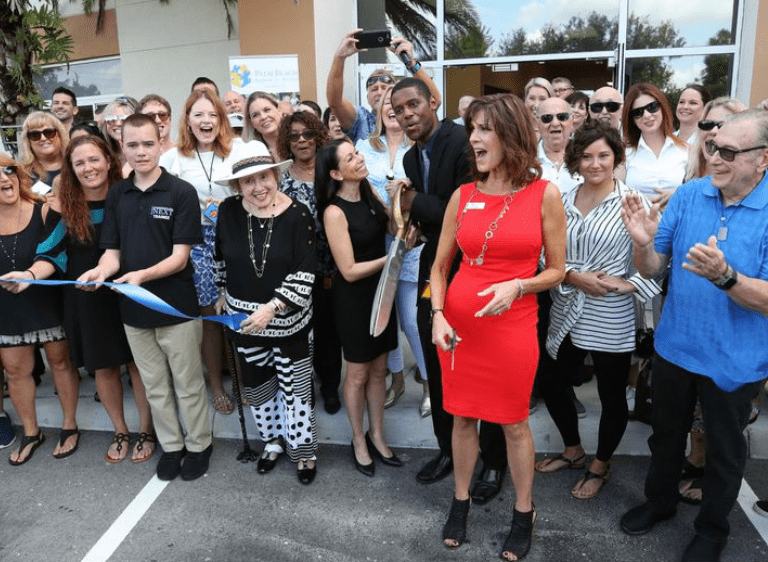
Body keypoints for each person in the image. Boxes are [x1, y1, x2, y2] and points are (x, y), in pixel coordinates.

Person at [619, 108, 768, 562]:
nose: (716, 159)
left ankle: (712, 529)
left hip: (734, 360)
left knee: (724, 453)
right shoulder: (688, 196)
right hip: (676, 347)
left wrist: (726, 278)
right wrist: (643, 243)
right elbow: (654, 267)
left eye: (728, 151)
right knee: (665, 436)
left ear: (762, 159)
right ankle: (660, 502)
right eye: (711, 148)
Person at [429, 93, 566, 560]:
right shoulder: (462, 195)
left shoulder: (543, 193)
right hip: (460, 332)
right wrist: (437, 315)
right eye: (472, 129)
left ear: (510, 134)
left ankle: (523, 512)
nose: (474, 138)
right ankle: (460, 501)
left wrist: (520, 287)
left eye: (484, 128)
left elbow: (558, 270)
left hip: (512, 330)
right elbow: (439, 268)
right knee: (462, 417)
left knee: (513, 425)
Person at [391, 78, 508, 503]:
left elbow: (458, 211)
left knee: (483, 372)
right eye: (399, 110)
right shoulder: (408, 156)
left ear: (433, 102)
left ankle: (494, 462)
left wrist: (411, 202)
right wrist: (412, 219)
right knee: (438, 365)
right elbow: (434, 218)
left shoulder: (461, 140)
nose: (407, 115)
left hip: (475, 271)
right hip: (433, 270)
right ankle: (448, 451)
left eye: (413, 104)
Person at [78, 113, 213, 482]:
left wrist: (141, 277)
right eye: (132, 145)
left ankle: (199, 445)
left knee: (187, 384)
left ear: (160, 144)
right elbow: (112, 251)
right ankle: (172, 446)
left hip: (175, 307)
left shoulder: (181, 192)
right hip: (132, 310)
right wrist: (101, 272)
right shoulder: (118, 192)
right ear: (122, 147)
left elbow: (179, 256)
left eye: (148, 144)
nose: (141, 152)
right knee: (155, 385)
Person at [534, 122, 659, 501]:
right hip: (567, 306)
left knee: (611, 393)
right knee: (552, 380)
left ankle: (600, 465)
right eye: (586, 156)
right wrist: (572, 276)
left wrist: (629, 284)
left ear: (616, 158)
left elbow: (654, 262)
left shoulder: (634, 201)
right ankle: (573, 450)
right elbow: (543, 252)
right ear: (575, 159)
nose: (595, 163)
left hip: (611, 314)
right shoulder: (561, 197)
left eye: (603, 155)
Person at [32, 135, 156, 463]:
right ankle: (120, 430)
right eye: (80, 163)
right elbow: (50, 254)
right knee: (104, 368)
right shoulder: (67, 209)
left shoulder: (128, 196)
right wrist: (30, 276)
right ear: (71, 170)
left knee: (137, 364)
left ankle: (146, 429)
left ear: (108, 160)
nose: (89, 168)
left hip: (129, 292)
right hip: (87, 300)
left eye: (94, 159)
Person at [213, 141, 318, 485]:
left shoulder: (298, 213)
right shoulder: (228, 212)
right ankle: (271, 442)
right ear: (237, 186)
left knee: (296, 390)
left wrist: (272, 309)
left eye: (264, 177)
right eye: (247, 181)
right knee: (258, 389)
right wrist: (220, 292)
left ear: (276, 175)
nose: (258, 187)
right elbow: (220, 258)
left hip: (288, 322)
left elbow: (305, 272)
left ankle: (302, 452)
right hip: (244, 322)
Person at [317, 138, 399, 477]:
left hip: (381, 292)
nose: (359, 158)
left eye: (357, 152)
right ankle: (357, 439)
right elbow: (348, 271)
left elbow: (393, 229)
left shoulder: (369, 192)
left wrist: (395, 202)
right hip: (353, 299)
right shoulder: (334, 211)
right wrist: (392, 258)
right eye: (350, 157)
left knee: (380, 370)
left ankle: (377, 434)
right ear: (336, 173)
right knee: (358, 373)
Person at [160, 89, 240, 416]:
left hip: (233, 239)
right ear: (188, 121)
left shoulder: (235, 152)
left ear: (220, 120)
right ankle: (217, 386)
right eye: (199, 115)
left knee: (237, 316)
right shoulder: (174, 157)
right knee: (210, 319)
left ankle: (243, 382)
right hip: (198, 246)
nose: (206, 121)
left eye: (212, 115)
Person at [355, 85, 430, 416]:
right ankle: (396, 381)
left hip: (411, 242)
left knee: (413, 321)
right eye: (386, 104)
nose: (392, 109)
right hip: (375, 242)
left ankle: (429, 384)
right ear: (378, 112)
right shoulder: (363, 146)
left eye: (398, 105)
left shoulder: (420, 149)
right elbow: (355, 184)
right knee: (385, 320)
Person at [0, 156, 80, 464]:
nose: (4, 179)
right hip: (7, 305)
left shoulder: (43, 210)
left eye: (8, 170)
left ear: (18, 175)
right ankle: (32, 433)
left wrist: (31, 275)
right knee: (16, 371)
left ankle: (69, 424)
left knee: (60, 362)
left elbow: (58, 253)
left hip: (47, 298)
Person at [276, 111, 340, 414]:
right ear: (287, 142)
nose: (301, 140)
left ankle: (329, 387)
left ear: (318, 136)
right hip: (295, 272)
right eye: (294, 136)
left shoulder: (331, 173)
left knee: (328, 332)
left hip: (330, 268)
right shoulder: (280, 181)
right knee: (301, 334)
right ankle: (305, 388)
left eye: (307, 134)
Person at [326, 29, 441, 143]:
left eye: (385, 88)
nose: (380, 93)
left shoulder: (410, 114)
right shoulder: (361, 119)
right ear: (367, 98)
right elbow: (335, 103)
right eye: (374, 89)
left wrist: (412, 64)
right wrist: (339, 57)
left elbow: (434, 100)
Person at [622, 82, 689, 209]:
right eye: (638, 112)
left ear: (662, 107)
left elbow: (700, 191)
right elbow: (615, 192)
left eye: (652, 107)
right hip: (636, 224)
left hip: (678, 225)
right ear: (632, 119)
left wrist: (680, 193)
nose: (647, 115)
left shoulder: (686, 150)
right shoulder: (624, 153)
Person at [18, 111, 69, 194]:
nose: (43, 138)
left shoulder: (75, 165)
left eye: (49, 132)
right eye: (35, 135)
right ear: (28, 142)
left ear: (60, 135)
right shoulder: (22, 174)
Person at [537, 97, 579, 195]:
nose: (555, 123)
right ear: (538, 124)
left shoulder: (585, 157)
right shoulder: (526, 161)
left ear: (572, 121)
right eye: (547, 118)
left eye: (562, 117)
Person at [243, 91, 283, 160]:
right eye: (255, 115)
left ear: (279, 110)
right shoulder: (250, 155)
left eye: (267, 110)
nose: (263, 117)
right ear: (251, 122)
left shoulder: (298, 142)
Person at [100, 97, 137, 168]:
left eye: (125, 119)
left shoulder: (147, 154)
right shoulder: (102, 154)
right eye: (112, 119)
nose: (118, 124)